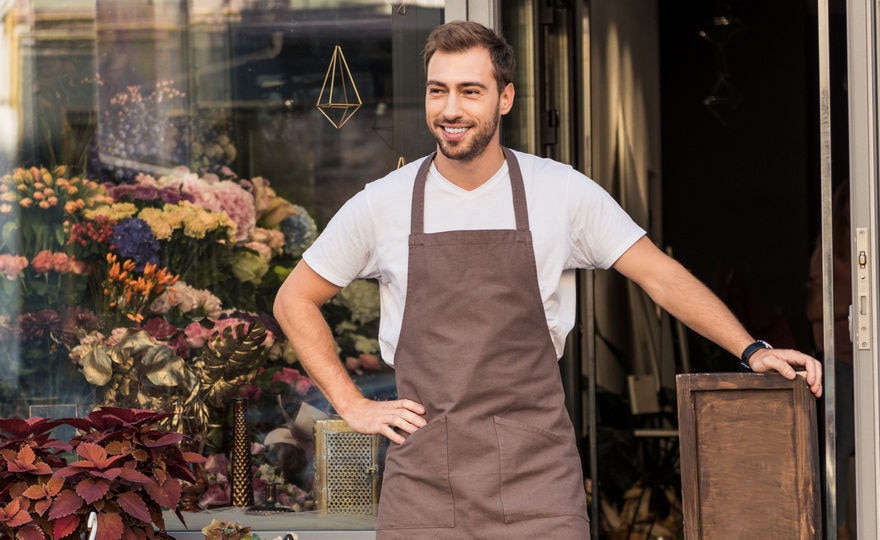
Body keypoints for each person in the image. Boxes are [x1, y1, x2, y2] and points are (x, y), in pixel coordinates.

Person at [273, 20, 823, 538]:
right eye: (437, 91)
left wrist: (752, 350)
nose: (450, 109)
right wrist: (351, 404)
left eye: (470, 91)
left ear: (504, 98)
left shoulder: (559, 192)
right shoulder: (384, 203)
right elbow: (295, 299)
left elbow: (658, 274)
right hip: (424, 487)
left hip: (536, 481)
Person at [806, 181, 854, 540]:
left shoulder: (879, 244)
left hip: (872, 363)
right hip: (841, 360)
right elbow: (813, 310)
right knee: (838, 448)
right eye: (850, 205)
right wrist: (856, 310)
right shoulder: (829, 251)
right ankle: (835, 528)